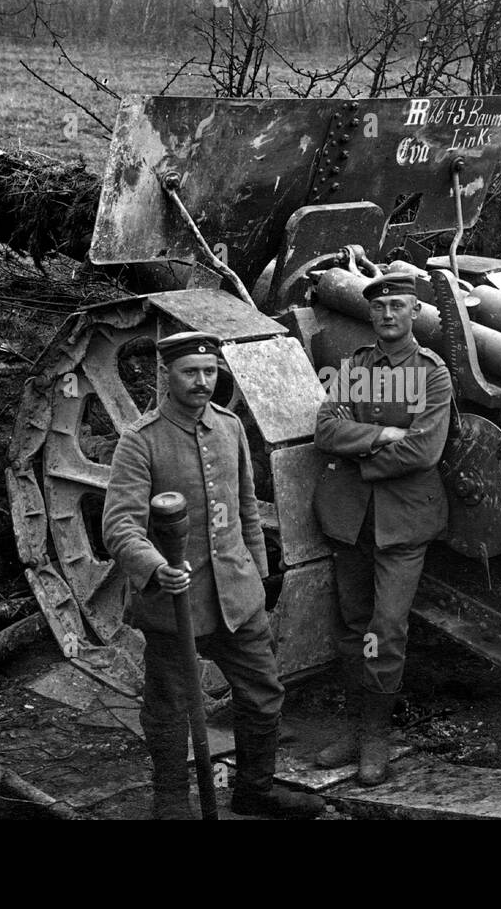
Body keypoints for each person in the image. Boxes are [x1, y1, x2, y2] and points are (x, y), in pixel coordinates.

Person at [102, 331, 323, 820]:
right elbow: (119, 526)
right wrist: (157, 567)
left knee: (263, 695)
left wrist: (258, 577)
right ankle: (171, 801)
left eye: (209, 372)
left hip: (237, 597)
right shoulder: (141, 440)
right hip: (174, 602)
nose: (202, 382)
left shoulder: (229, 426)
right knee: (169, 707)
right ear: (166, 375)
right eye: (190, 372)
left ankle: (254, 791)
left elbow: (246, 508)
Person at [312, 270, 453, 786]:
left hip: (404, 522)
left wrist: (361, 455)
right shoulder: (356, 367)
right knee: (352, 626)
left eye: (398, 305)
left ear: (415, 312)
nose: (388, 314)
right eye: (379, 306)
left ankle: (376, 736)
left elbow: (424, 450)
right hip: (350, 519)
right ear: (370, 313)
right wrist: (383, 433)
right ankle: (355, 728)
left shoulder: (432, 372)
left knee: (386, 629)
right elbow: (325, 429)